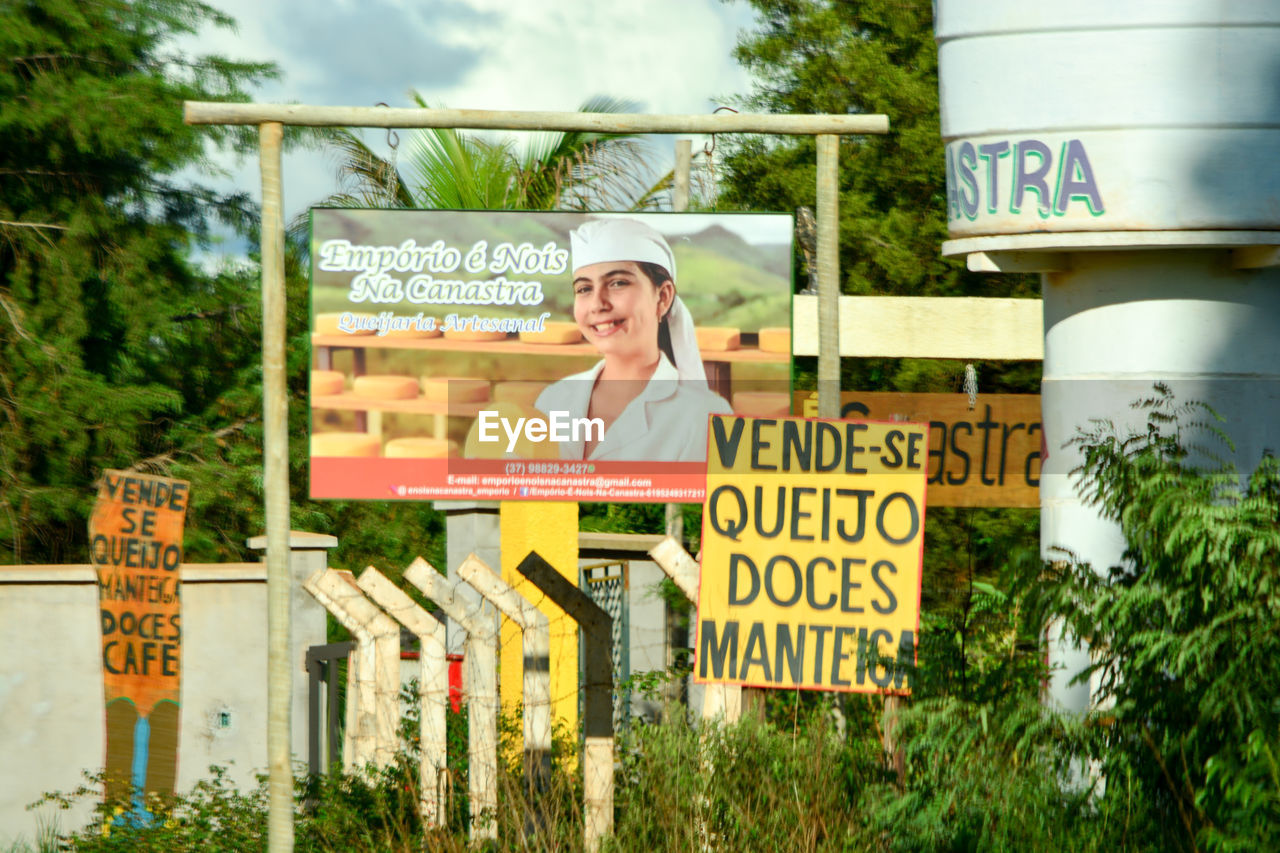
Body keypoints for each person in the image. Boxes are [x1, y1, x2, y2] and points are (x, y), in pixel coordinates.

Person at [535, 217, 732, 462]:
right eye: (584, 289)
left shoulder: (705, 416)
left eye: (618, 283)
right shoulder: (553, 399)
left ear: (663, 298)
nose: (597, 304)